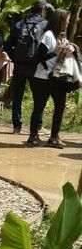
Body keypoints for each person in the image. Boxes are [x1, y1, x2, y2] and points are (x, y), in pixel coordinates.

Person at [27, 9, 74, 149]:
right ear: (60, 20)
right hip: (42, 77)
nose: (68, 22)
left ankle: (54, 137)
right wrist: (54, 53)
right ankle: (33, 136)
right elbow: (37, 57)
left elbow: (61, 56)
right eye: (67, 19)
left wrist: (68, 50)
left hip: (57, 78)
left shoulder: (62, 37)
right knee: (39, 107)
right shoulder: (48, 35)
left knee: (60, 107)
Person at [5, 0, 50, 134]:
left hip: (19, 65)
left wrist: (15, 58)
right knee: (38, 97)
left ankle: (16, 126)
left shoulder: (19, 24)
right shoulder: (45, 25)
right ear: (42, 10)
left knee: (17, 96)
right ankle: (37, 125)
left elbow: (7, 46)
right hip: (35, 67)